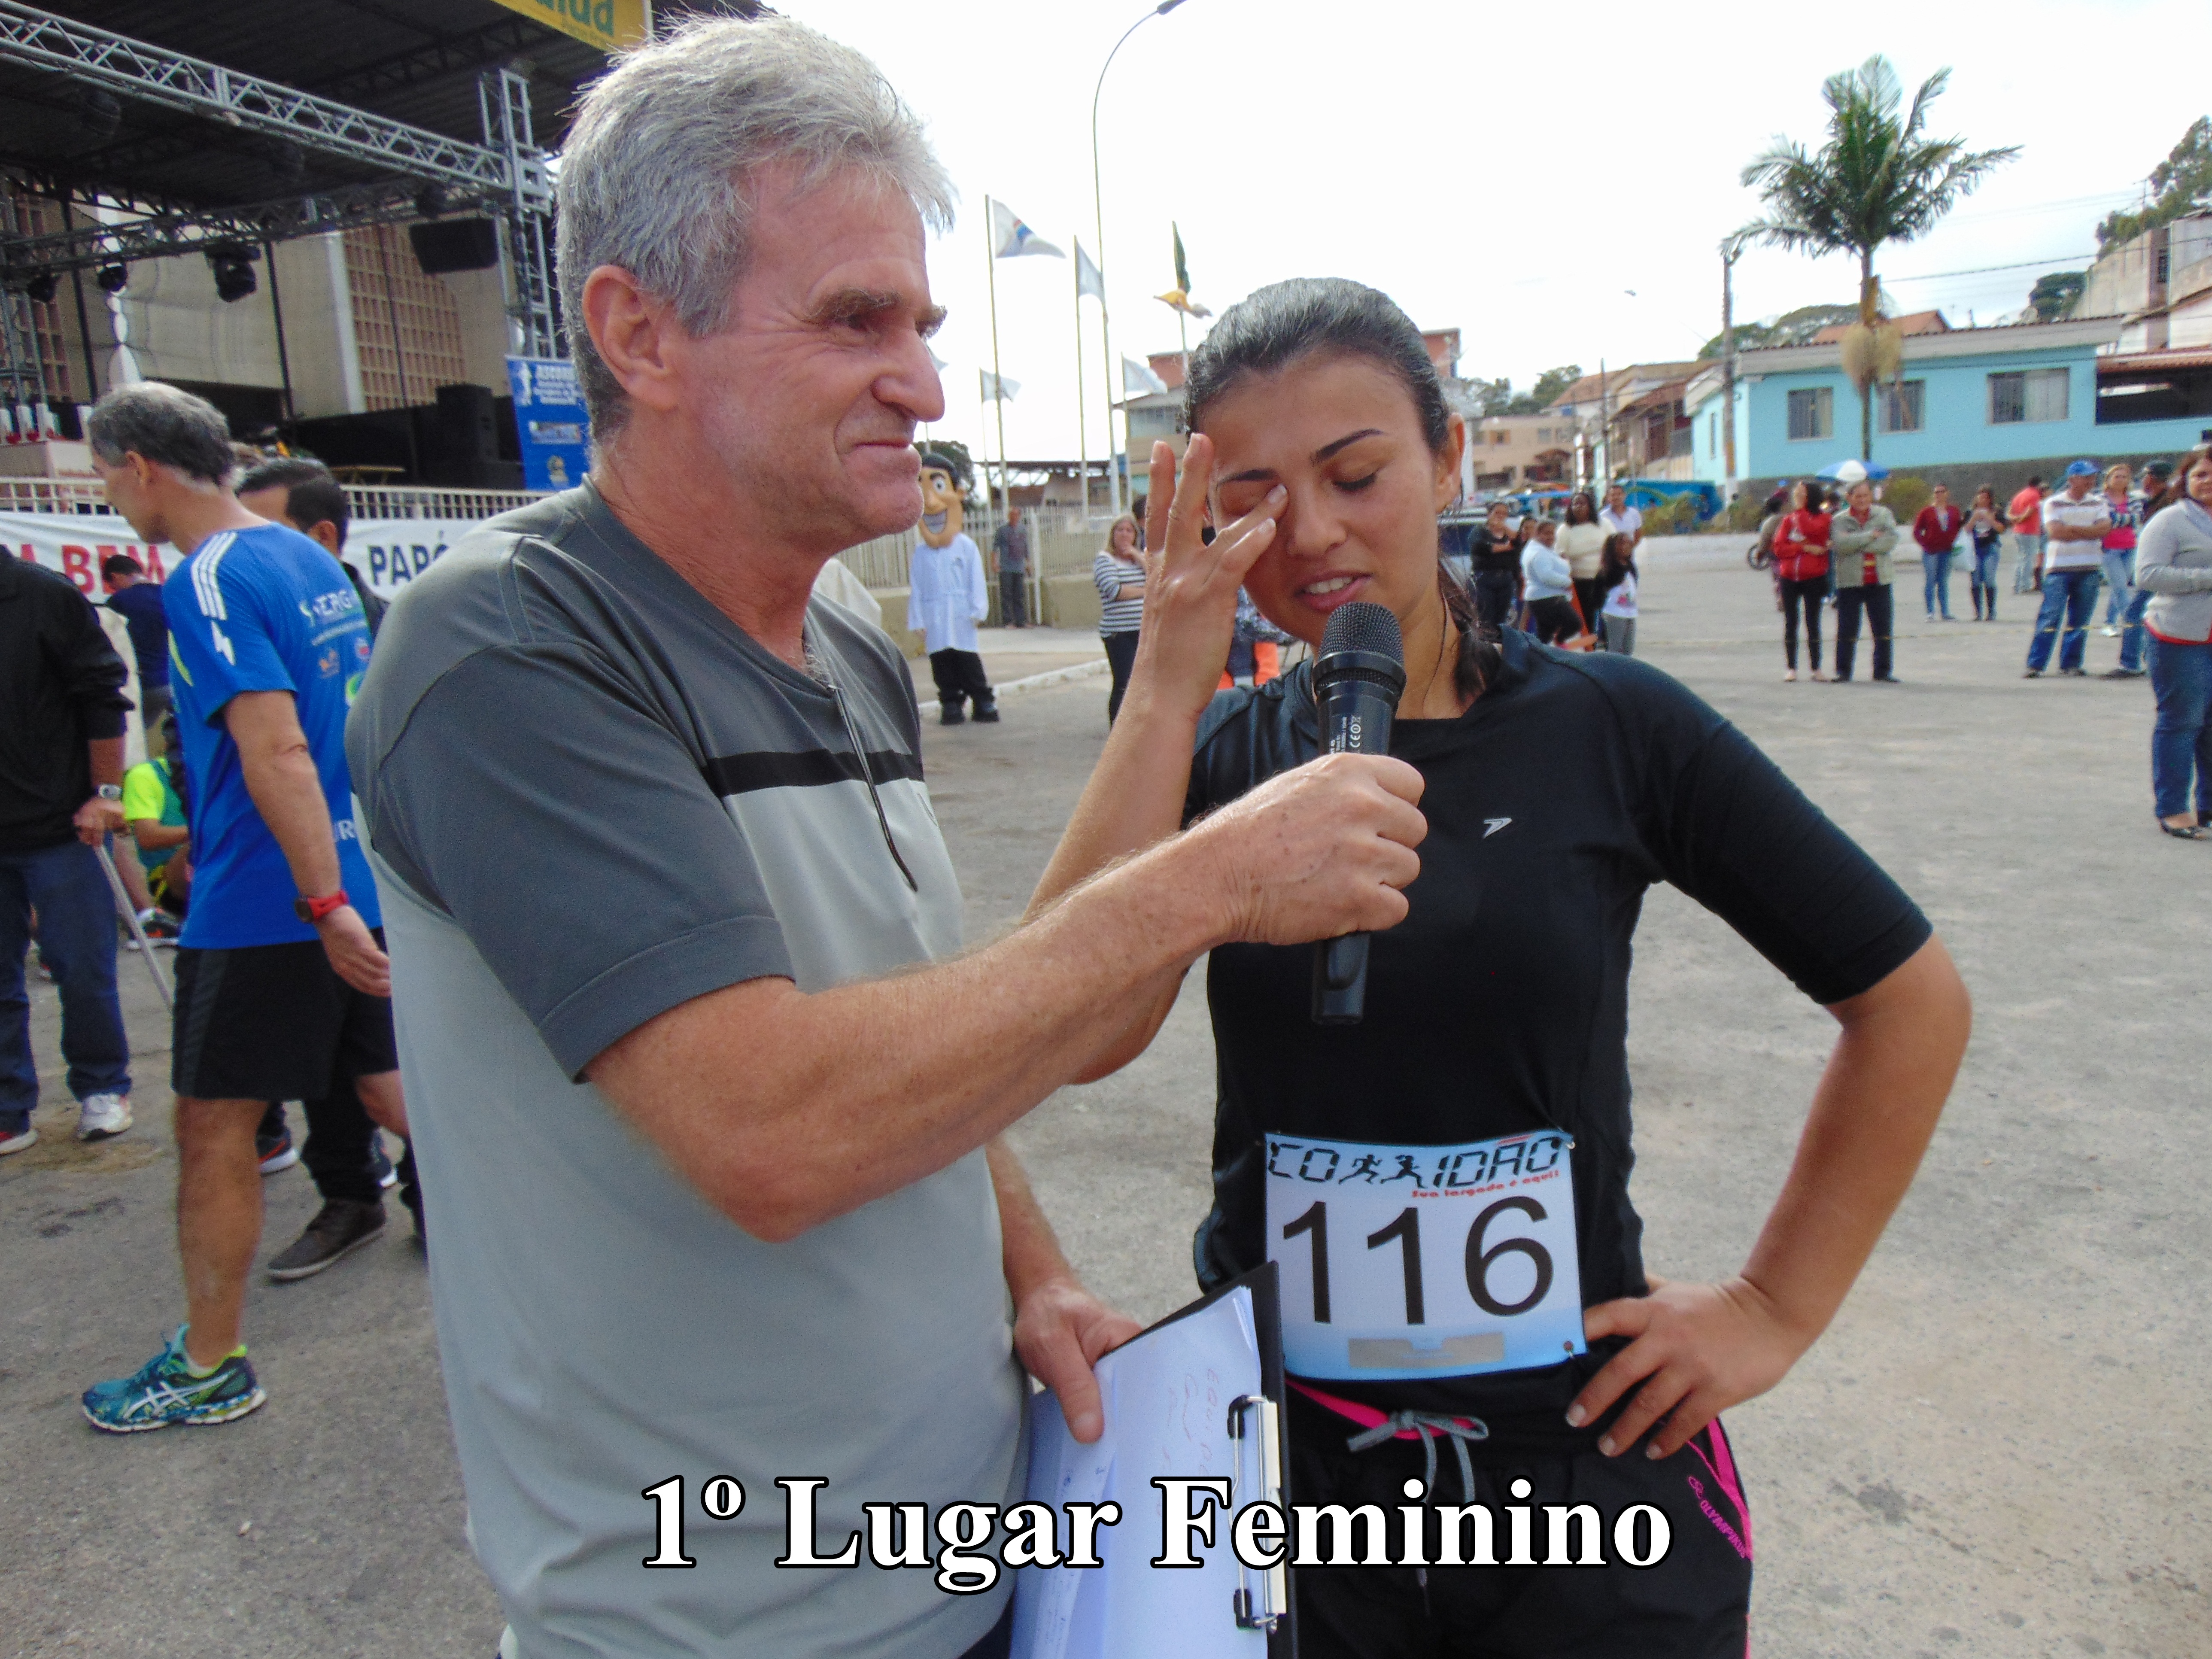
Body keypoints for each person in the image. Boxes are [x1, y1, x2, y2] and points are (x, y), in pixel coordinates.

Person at [342, 22, 1420, 1656]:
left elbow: (931, 1023)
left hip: (979, 1553)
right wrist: (1211, 875)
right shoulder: (511, 647)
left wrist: (1033, 1270)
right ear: (640, 331)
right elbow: (773, 1132)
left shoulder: (843, 642)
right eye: (857, 321)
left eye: (918, 321)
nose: (920, 380)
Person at [1030, 276, 1970, 1659]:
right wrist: (1169, 689)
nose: (1312, 532)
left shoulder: (1612, 726)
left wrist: (1774, 1307)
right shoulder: (1216, 754)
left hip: (1579, 1453)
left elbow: (1908, 999)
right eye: (1252, 496)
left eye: (1356, 473)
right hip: (1283, 1458)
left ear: (1449, 457)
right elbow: (1071, 1029)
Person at [76, 382, 411, 1433]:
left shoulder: (208, 579)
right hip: (344, 882)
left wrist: (321, 900)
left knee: (214, 1126)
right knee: (403, 1098)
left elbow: (277, 746)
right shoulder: (303, 557)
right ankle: (604, 1267)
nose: (107, 498)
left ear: (139, 466)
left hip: (274, 901)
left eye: (104, 478)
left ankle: (211, 1363)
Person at [0, 551, 134, 1155]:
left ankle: (103, 1086)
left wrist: (106, 795)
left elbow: (103, 694)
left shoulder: (41, 596)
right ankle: (8, 1106)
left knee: (82, 970)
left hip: (61, 825)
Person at [2134, 446, 2212, 839]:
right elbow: (2147, 575)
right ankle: (2173, 809)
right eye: (2200, 475)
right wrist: (2206, 577)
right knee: (2183, 721)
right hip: (2178, 635)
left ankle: (2209, 808)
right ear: (2186, 480)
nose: (2208, 481)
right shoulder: (2170, 521)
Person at [236, 456, 389, 639]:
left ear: (323, 536)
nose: (239, 554)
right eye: (236, 538)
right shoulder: (238, 637)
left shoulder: (404, 634)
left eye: (261, 538)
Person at [909, 449, 998, 724]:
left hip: (960, 612)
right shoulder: (921, 554)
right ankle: (950, 702)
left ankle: (983, 701)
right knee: (942, 662)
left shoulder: (966, 547)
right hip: (934, 613)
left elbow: (976, 581)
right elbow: (917, 588)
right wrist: (918, 619)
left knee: (967, 659)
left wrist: (978, 609)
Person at [2025, 460, 2110, 679]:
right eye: (2086, 477)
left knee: (2080, 619)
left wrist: (2073, 529)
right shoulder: (2053, 502)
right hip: (2059, 568)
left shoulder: (2098, 501)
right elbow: (2056, 532)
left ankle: (2071, 663)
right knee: (2050, 616)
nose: (2091, 481)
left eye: (2093, 477)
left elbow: (2104, 529)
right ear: (2072, 479)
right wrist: (2088, 531)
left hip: (2089, 567)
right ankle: (2036, 664)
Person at [1831, 479, 1901, 683]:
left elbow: (1890, 541)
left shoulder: (1883, 515)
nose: (1862, 500)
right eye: (1858, 496)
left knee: (1883, 628)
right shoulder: (1840, 520)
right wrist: (1870, 536)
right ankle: (1843, 671)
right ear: (1849, 498)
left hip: (1880, 579)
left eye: (1866, 496)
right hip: (1850, 581)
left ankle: (1883, 671)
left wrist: (1858, 544)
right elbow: (1841, 545)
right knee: (1847, 628)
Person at [100, 552, 172, 733]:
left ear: (115, 577)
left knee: (135, 737)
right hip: (175, 682)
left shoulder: (119, 601)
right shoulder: (167, 594)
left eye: (112, 586)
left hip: (145, 683)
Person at [1774, 480, 1832, 681]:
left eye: (1801, 493)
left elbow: (1813, 531)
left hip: (1814, 577)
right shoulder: (1789, 520)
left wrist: (1800, 515)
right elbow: (1779, 548)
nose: (1796, 495)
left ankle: (1816, 667)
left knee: (1813, 622)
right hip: (1789, 577)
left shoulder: (1824, 519)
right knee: (1791, 622)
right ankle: (1792, 667)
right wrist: (1802, 548)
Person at [1094, 513, 1146, 722]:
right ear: (1112, 534)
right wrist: (1146, 591)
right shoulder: (1105, 560)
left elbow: (1159, 579)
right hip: (1119, 633)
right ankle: (1117, 726)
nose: (1124, 535)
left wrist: (1137, 555)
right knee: (1124, 681)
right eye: (1120, 530)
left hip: (1142, 630)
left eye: (1129, 531)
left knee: (1142, 683)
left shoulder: (1139, 559)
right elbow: (1115, 591)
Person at [1519, 517, 1579, 645]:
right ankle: (1558, 645)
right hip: (1546, 598)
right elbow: (1547, 576)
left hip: (1543, 597)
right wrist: (1568, 582)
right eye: (1546, 533)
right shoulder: (1538, 553)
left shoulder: (1544, 549)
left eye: (1553, 533)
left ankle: (1541, 657)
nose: (1550, 537)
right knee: (1574, 623)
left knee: (1544, 636)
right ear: (1537, 534)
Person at [1556, 489, 1608, 634]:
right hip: (1579, 581)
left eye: (1583, 503)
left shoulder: (1604, 525)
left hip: (1603, 578)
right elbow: (1560, 553)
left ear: (1590, 506)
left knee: (1605, 613)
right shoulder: (1565, 530)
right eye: (1575, 504)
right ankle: (1590, 644)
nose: (1579, 507)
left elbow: (1614, 546)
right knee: (1586, 616)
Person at [1911, 482, 1964, 622]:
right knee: (1930, 581)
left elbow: (1959, 527)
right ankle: (1930, 612)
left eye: (1942, 492)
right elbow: (1917, 531)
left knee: (1943, 581)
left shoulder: (1954, 511)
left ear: (1947, 493)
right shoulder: (1927, 512)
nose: (1939, 495)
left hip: (1947, 550)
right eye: (1936, 492)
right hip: (1931, 551)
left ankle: (1945, 612)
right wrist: (1925, 543)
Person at [2097, 462, 2137, 637]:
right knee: (2121, 587)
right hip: (2108, 549)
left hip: (2130, 547)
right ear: (2108, 479)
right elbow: (2106, 520)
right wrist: (2124, 519)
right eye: (2117, 477)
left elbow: (2138, 517)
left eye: (2124, 477)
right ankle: (2132, 624)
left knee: (2119, 587)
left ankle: (2109, 623)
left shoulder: (2134, 499)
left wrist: (2118, 520)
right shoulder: (2101, 500)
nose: (2121, 480)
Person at [1468, 498, 1519, 628]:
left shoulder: (1508, 534)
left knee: (1502, 620)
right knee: (1486, 618)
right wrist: (1506, 548)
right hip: (1485, 579)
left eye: (1504, 513)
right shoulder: (1479, 531)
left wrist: (1506, 530)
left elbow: (1518, 544)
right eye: (1497, 513)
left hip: (1505, 580)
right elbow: (1481, 548)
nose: (1501, 516)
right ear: (1489, 514)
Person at [1965, 485, 2006, 622]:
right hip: (1974, 549)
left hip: (1991, 548)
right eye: (1980, 497)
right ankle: (1978, 613)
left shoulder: (1996, 512)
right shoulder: (1971, 512)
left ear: (1990, 500)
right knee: (1975, 580)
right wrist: (1974, 518)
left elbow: (2001, 529)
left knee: (1989, 579)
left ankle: (1991, 612)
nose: (1982, 500)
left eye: (1985, 498)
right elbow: (1965, 531)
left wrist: (1989, 518)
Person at [1597, 529, 1639, 656]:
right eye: (1621, 543)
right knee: (1615, 649)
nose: (1625, 547)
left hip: (1631, 612)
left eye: (1628, 543)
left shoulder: (1631, 567)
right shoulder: (1608, 569)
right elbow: (1599, 595)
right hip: (1614, 613)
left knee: (1628, 650)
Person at [991, 503, 1030, 628]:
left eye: (1016, 515)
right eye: (1011, 515)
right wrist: (995, 563)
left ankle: (1021, 621)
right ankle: (1008, 621)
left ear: (1019, 516)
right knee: (1007, 596)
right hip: (1006, 568)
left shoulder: (1023, 530)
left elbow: (1025, 548)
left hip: (1019, 568)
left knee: (1019, 595)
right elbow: (994, 548)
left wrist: (1028, 563)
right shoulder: (1002, 531)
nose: (1014, 517)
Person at [2008, 475, 2045, 595]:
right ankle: (2024, 585)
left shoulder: (2020, 495)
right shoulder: (2034, 495)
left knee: (2021, 558)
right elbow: (2030, 511)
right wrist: (2020, 519)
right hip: (2029, 530)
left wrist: (2015, 520)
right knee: (2028, 559)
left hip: (2018, 531)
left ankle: (2017, 584)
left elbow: (2010, 512)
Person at [1599, 479, 1644, 550]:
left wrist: (1629, 549)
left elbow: (1638, 534)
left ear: (1624, 496)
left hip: (1629, 554)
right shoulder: (1602, 516)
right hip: (1610, 555)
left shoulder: (1634, 513)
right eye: (1613, 495)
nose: (1616, 497)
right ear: (1608, 498)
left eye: (1619, 494)